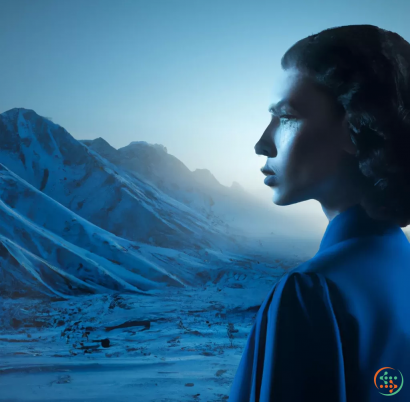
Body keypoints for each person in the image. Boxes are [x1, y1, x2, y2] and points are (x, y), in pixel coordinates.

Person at [229, 24, 410, 402]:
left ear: (353, 129)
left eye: (286, 116)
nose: (263, 143)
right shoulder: (401, 266)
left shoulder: (312, 291)